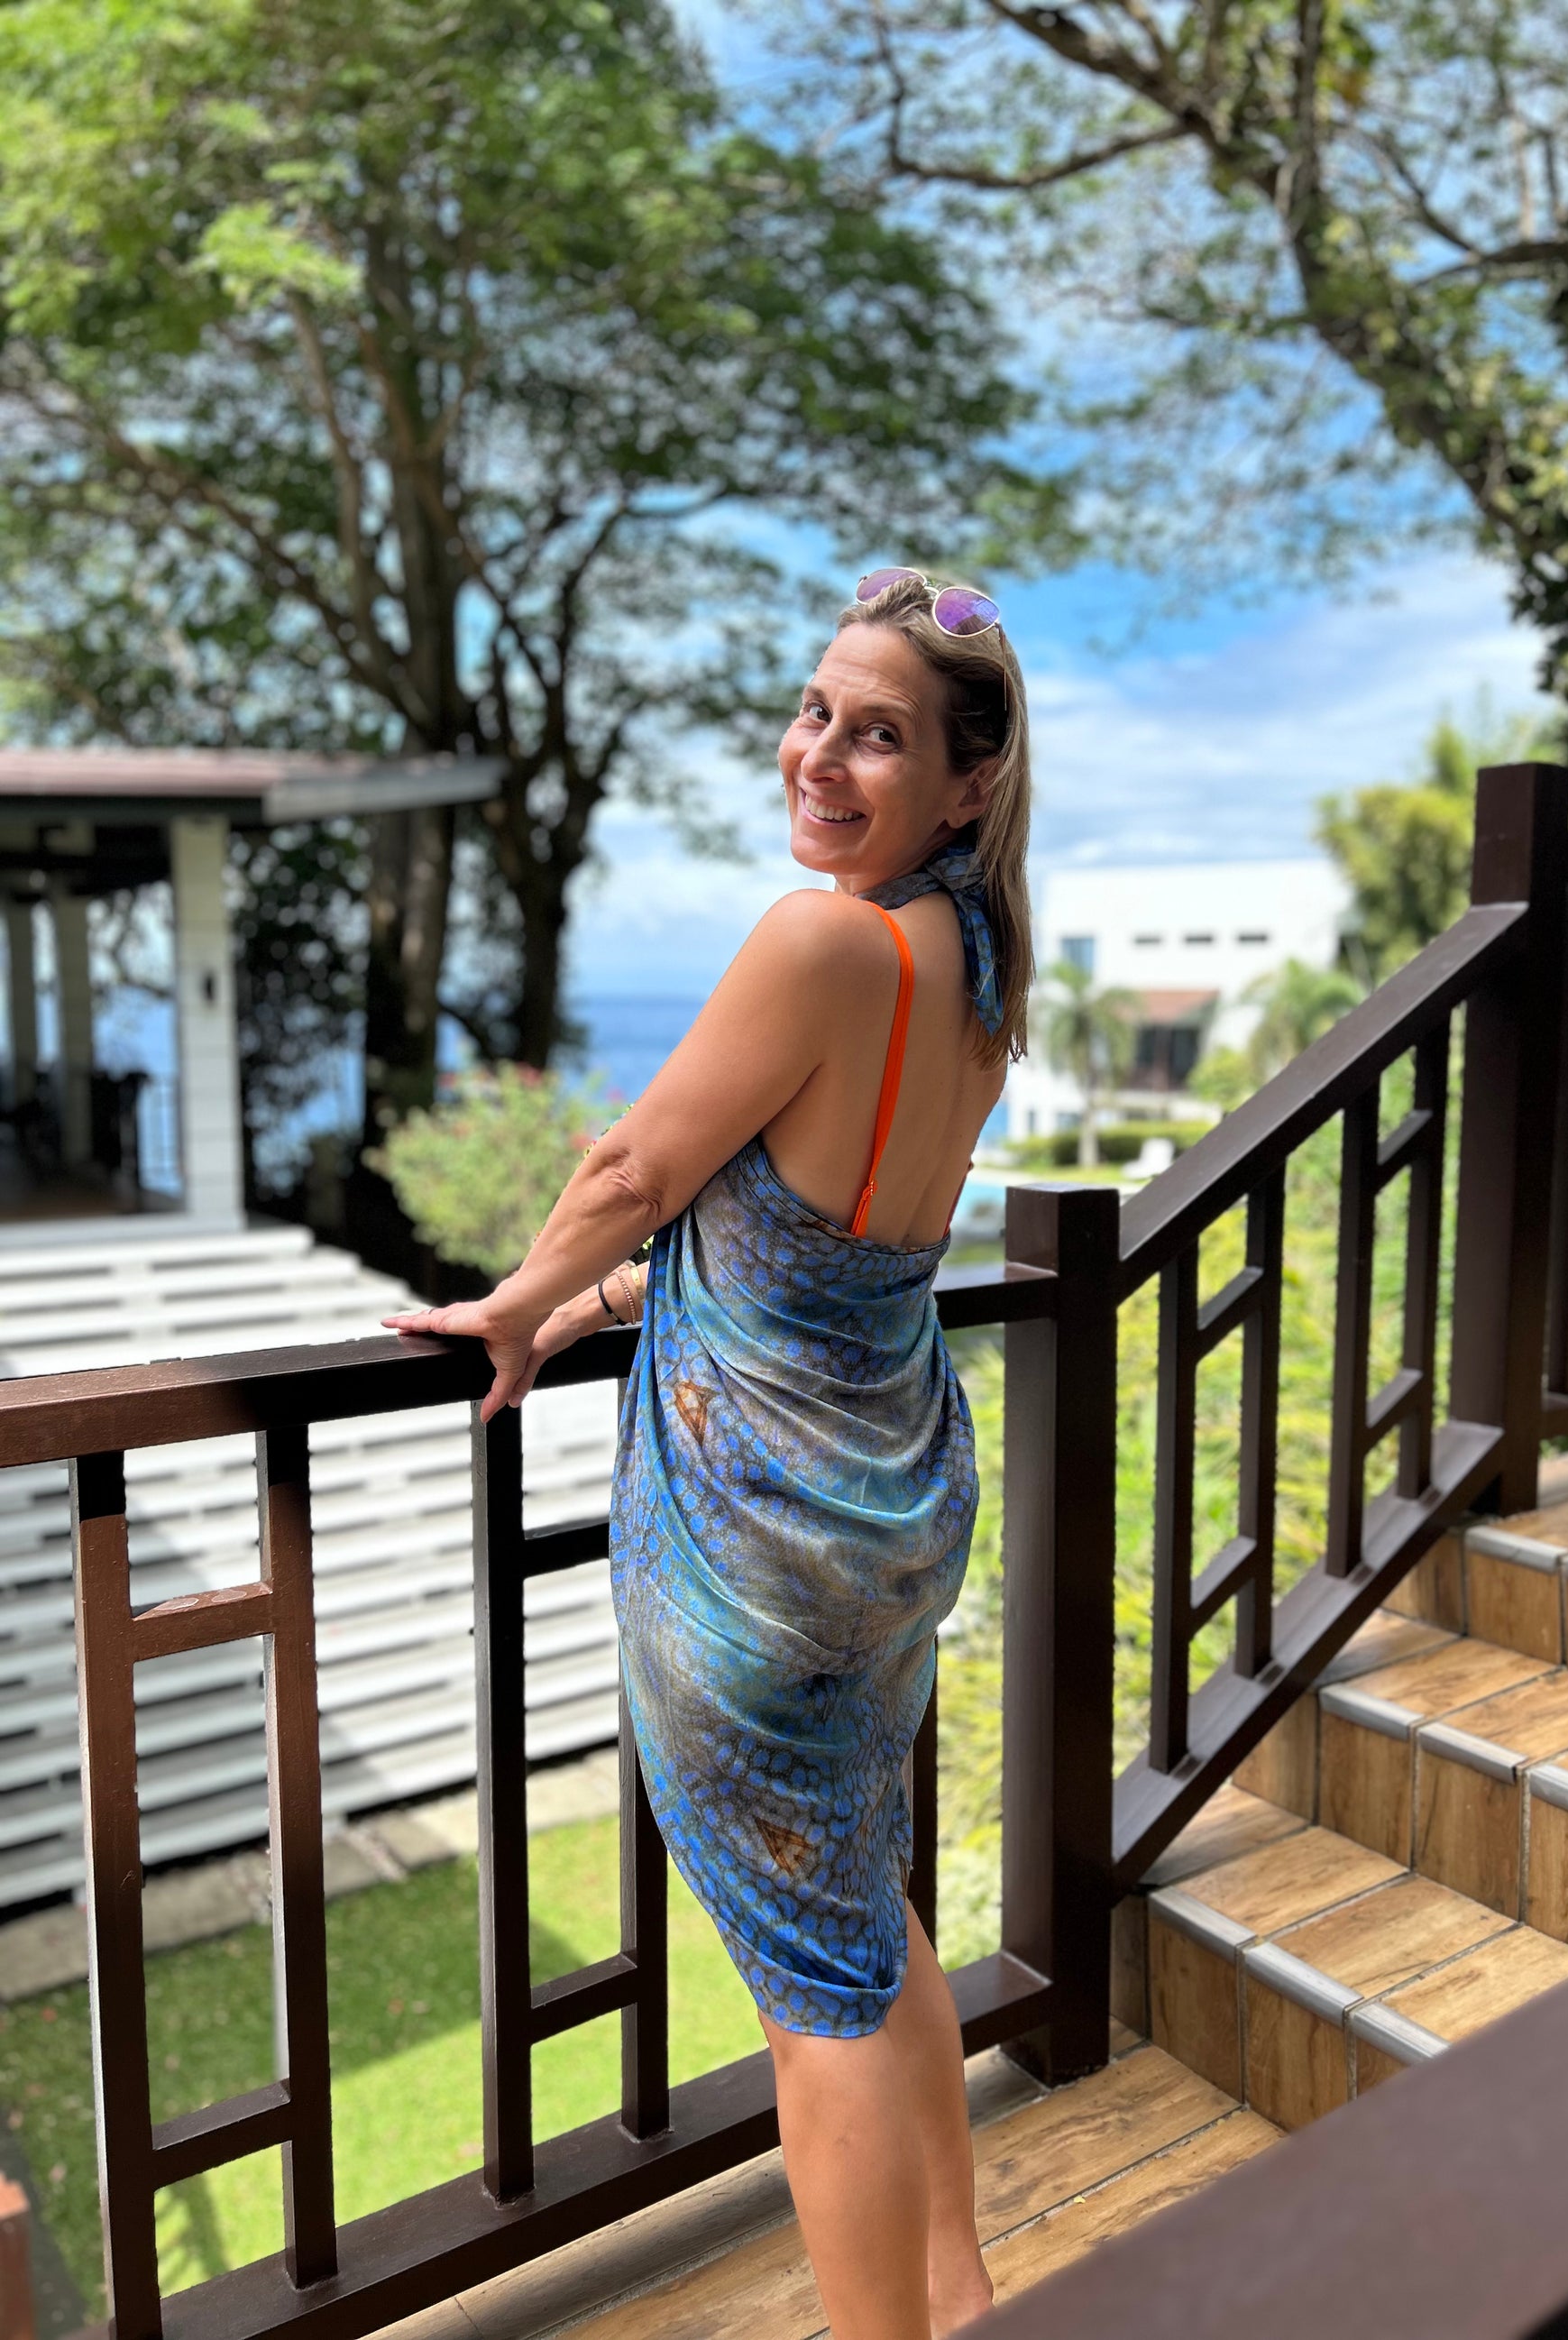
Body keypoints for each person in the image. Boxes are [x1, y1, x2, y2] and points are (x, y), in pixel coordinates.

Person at [384, 567, 1033, 2339]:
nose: (818, 752)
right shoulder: (973, 967)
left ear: (964, 783)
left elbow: (633, 1171)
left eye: (876, 733)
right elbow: (788, 1233)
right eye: (817, 711)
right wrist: (600, 1306)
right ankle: (965, 2290)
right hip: (890, 1500)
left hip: (757, 1539)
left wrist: (516, 1298)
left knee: (812, 1996)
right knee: (861, 1907)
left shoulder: (817, 942)